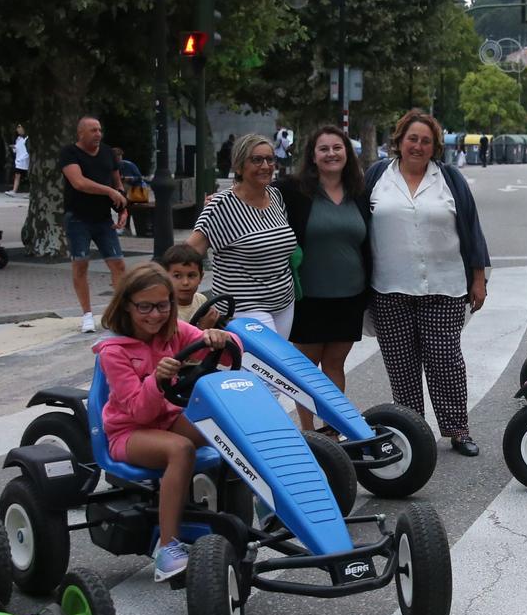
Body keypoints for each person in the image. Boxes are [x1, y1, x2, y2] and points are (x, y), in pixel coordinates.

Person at [96, 265, 236, 582]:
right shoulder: (113, 352)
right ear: (127, 306)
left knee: (227, 420)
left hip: (168, 420)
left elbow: (231, 356)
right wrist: (157, 380)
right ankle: (166, 548)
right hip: (128, 433)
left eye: (163, 305)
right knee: (181, 450)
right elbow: (138, 412)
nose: (155, 315)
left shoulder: (175, 333)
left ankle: (269, 499)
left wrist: (221, 339)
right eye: (144, 306)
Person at [364, 109, 491, 456]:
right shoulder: (377, 176)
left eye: (425, 141)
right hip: (389, 288)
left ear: (435, 146)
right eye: (412, 139)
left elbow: (471, 227)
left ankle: (457, 429)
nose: (418, 146)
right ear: (400, 141)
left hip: (445, 285)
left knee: (446, 361)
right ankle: (411, 431)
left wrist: (478, 278)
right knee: (401, 366)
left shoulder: (449, 179)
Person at [277, 124, 371, 431]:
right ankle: (308, 430)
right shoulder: (294, 190)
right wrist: (220, 200)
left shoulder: (360, 191)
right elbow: (253, 193)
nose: (331, 154)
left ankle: (332, 428)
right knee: (306, 368)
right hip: (310, 296)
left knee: (335, 365)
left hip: (350, 295)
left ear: (347, 153)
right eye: (324, 149)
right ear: (313, 156)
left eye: (337, 148)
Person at [185, 132, 299, 335]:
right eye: (256, 159)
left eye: (270, 159)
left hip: (283, 304)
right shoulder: (221, 205)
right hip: (244, 307)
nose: (265, 166)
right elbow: (187, 253)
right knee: (267, 364)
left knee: (276, 366)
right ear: (239, 166)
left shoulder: (275, 195)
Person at [60, 115, 128, 332]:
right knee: (81, 264)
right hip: (78, 218)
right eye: (93, 130)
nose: (98, 134)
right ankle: (87, 314)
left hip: (103, 219)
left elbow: (118, 184)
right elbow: (78, 182)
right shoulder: (70, 153)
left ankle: (118, 311)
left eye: (99, 129)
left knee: (118, 264)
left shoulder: (108, 153)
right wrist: (107, 190)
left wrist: (123, 208)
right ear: (81, 133)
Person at [157, 243, 224, 329]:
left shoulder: (201, 300)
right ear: (166, 278)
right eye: (177, 276)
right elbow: (176, 341)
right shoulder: (165, 310)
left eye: (191, 275)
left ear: (201, 277)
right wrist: (202, 328)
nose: (185, 282)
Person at [9, 124, 30, 195]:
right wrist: (14, 148)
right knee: (17, 175)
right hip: (19, 160)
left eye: (19, 127)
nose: (18, 129)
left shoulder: (27, 138)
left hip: (25, 160)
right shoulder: (18, 139)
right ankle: (14, 191)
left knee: (29, 176)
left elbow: (28, 151)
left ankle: (30, 192)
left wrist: (23, 158)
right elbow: (18, 149)